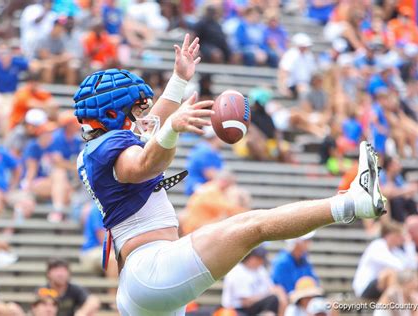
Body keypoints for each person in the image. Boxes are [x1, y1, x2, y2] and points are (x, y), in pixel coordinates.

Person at [74, 34, 386, 316]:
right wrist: (172, 129)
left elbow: (155, 121)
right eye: (136, 111)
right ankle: (353, 204)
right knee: (254, 226)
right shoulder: (110, 147)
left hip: (144, 282)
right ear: (113, 115)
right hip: (152, 268)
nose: (145, 117)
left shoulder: (97, 147)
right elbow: (145, 164)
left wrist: (179, 80)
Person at [352, 221, 418, 300]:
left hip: (381, 288)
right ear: (390, 235)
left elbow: (412, 267)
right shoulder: (377, 246)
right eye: (398, 235)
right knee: (391, 273)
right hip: (364, 288)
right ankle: (396, 305)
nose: (401, 238)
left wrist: (409, 245)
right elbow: (399, 266)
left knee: (411, 278)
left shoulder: (395, 251)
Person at [221, 246, 288, 316]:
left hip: (255, 306)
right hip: (235, 309)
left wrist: (279, 293)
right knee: (272, 300)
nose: (262, 261)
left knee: (277, 295)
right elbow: (245, 302)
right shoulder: (237, 271)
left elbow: (272, 288)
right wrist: (268, 294)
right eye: (259, 258)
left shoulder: (260, 270)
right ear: (251, 258)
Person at [180, 170, 250, 235]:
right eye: (232, 184)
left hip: (200, 227)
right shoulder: (212, 191)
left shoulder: (209, 188)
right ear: (224, 182)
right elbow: (231, 210)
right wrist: (239, 201)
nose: (233, 187)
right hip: (197, 229)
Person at [184, 127, 224, 196]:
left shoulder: (207, 150)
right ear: (216, 137)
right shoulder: (204, 151)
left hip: (203, 186)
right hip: (197, 186)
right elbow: (210, 174)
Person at [277, 33, 317, 99]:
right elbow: (283, 71)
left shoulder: (309, 56)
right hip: (292, 85)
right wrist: (283, 88)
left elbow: (313, 73)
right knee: (303, 88)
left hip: (305, 84)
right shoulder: (291, 54)